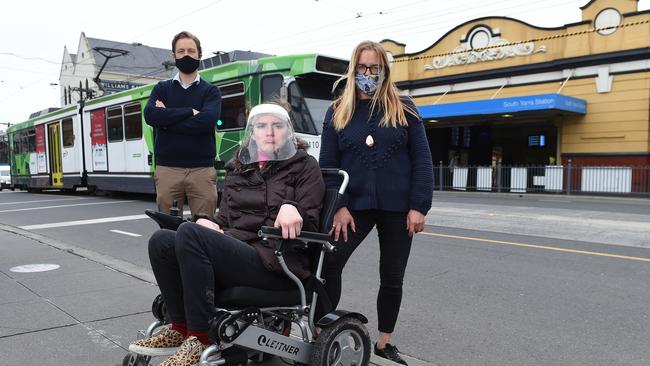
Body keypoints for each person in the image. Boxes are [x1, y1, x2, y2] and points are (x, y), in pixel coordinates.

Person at [130, 103, 325, 366]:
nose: (269, 132)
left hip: (275, 261)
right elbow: (225, 219)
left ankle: (199, 339)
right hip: (239, 251)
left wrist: (294, 207)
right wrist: (208, 222)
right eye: (261, 126)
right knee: (163, 240)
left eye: (277, 125)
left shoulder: (304, 166)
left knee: (189, 233)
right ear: (252, 132)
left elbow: (311, 219)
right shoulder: (239, 167)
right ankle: (179, 328)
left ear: (288, 131)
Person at [319, 40, 434, 365]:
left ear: (384, 71)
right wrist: (337, 206)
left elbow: (422, 161)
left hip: (399, 207)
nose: (368, 74)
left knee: (392, 275)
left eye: (375, 68)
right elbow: (327, 164)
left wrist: (419, 206)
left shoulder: (405, 108)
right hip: (352, 206)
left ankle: (385, 342)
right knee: (330, 262)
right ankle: (322, 330)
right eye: (362, 68)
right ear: (353, 71)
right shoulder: (338, 110)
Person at [144, 31, 222, 217]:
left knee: (205, 228)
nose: (186, 55)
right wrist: (189, 112)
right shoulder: (161, 89)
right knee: (168, 229)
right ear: (174, 56)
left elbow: (206, 122)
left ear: (199, 55)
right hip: (167, 169)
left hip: (202, 169)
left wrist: (166, 121)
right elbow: (150, 116)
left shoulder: (211, 91)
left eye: (191, 51)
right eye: (181, 51)